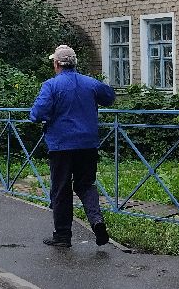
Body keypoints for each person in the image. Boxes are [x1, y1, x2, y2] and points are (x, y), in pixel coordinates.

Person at [29, 44, 115, 248]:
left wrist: (47, 115)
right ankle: (97, 221)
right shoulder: (90, 83)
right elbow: (109, 97)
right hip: (88, 144)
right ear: (75, 63)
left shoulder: (51, 85)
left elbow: (37, 114)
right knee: (86, 184)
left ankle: (62, 236)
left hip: (61, 146)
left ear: (57, 64)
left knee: (61, 189)